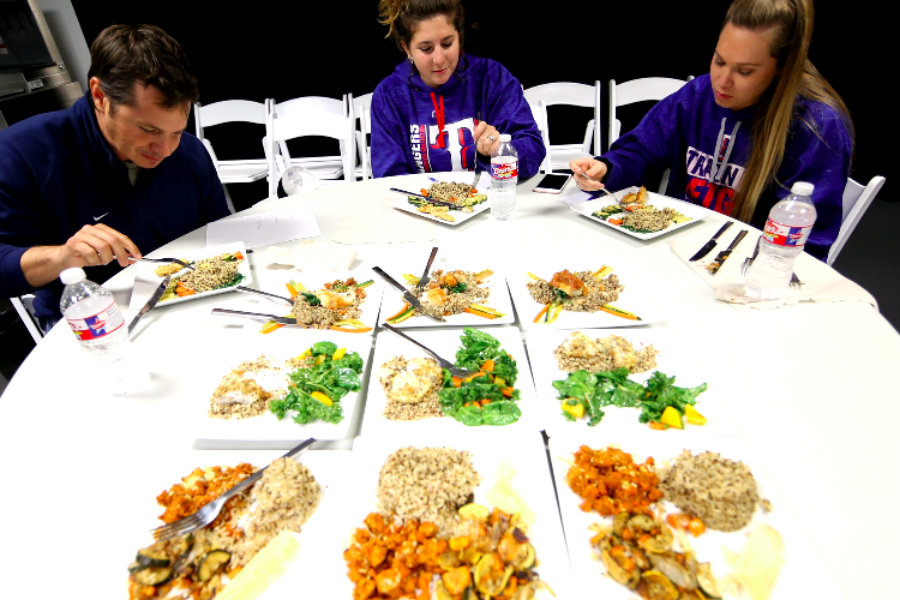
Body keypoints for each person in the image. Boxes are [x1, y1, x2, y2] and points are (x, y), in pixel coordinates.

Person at [571, 0, 852, 260]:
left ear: (782, 70)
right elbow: (641, 149)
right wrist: (606, 168)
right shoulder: (699, 94)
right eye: (719, 61)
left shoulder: (817, 127)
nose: (722, 81)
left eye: (744, 71)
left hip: (747, 271)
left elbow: (805, 248)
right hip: (679, 251)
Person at [0, 24, 230, 330]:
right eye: (148, 130)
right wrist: (62, 257)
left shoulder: (188, 152)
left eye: (175, 131)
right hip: (95, 324)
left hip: (193, 304)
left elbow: (220, 231)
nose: (164, 149)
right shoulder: (24, 152)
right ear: (99, 95)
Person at [371, 0, 545, 179]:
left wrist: (499, 151)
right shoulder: (388, 96)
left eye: (447, 44)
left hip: (488, 202)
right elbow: (388, 181)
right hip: (420, 205)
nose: (439, 59)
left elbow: (533, 152)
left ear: (459, 37)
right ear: (406, 48)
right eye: (426, 49)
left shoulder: (492, 78)